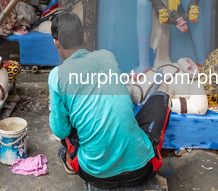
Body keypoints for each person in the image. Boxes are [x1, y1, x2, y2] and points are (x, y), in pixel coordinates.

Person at [49, 13, 171, 189]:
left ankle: (69, 159)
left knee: (62, 118)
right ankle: (136, 149)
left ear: (56, 42)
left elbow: (61, 131)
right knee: (161, 99)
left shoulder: (56, 76)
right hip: (141, 169)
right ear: (84, 36)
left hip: (96, 174)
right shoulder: (107, 56)